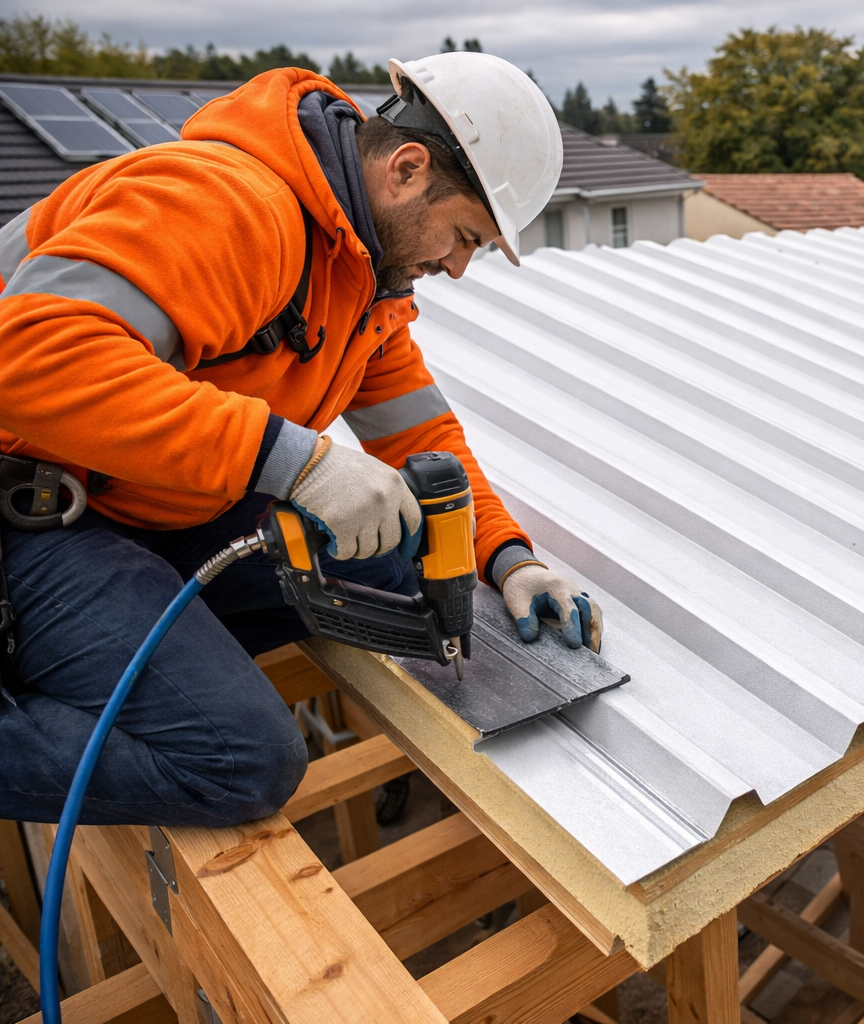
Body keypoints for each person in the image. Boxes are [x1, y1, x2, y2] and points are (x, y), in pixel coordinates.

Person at [0, 53, 598, 828]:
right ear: (408, 170)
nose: (455, 266)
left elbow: (420, 434)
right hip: (40, 512)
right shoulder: (227, 203)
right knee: (242, 760)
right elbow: (29, 361)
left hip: (155, 504)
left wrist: (509, 558)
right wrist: (300, 462)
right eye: (465, 236)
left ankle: (148, 654)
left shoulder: (363, 282)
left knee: (396, 558)